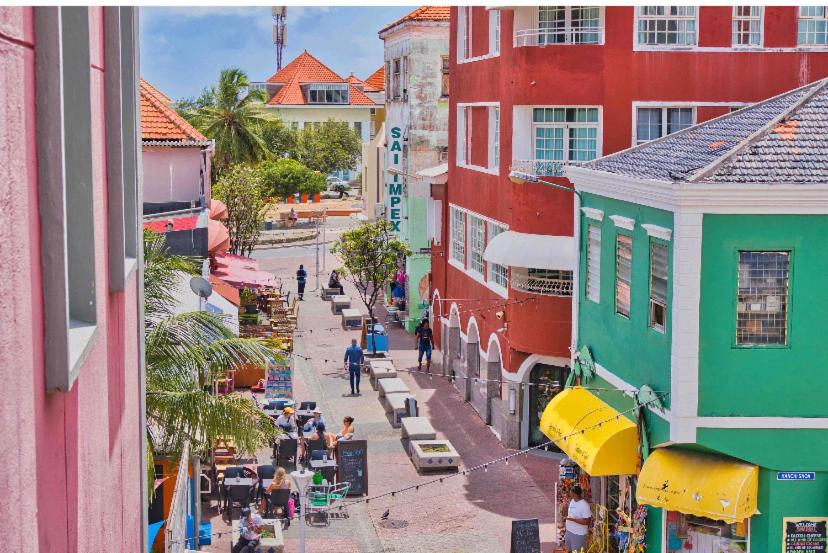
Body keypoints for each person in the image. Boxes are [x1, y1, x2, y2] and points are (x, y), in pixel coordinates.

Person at [562, 485, 592, 553]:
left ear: (574, 494)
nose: (569, 493)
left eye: (570, 492)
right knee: (568, 551)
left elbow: (587, 521)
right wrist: (565, 506)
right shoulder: (572, 501)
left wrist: (573, 520)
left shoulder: (584, 505)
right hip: (569, 531)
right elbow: (568, 514)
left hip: (578, 534)